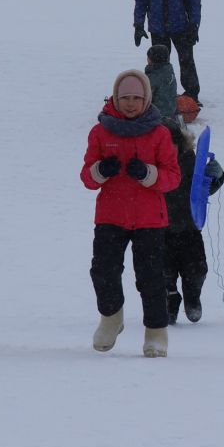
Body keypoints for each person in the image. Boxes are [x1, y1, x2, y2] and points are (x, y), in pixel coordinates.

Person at [81, 70, 181, 356]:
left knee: (150, 276)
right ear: (115, 97)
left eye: (137, 98)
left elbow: (173, 177)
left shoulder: (160, 133)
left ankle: (156, 332)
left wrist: (149, 174)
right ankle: (111, 318)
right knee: (103, 271)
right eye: (125, 97)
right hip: (111, 216)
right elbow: (87, 178)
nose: (131, 103)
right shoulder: (100, 132)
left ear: (146, 98)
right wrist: (101, 170)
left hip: (150, 218)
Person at [162, 122, 224, 323]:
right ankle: (169, 302)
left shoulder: (191, 162)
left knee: (196, 269)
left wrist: (215, 177)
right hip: (160, 231)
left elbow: (202, 189)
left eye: (172, 143)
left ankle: (192, 297)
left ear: (180, 143)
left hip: (189, 228)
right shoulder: (153, 166)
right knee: (163, 272)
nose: (168, 148)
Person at [133, 0, 201, 105]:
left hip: (182, 29)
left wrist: (194, 25)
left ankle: (191, 96)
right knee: (159, 66)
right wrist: (138, 25)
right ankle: (160, 96)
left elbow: (194, 2)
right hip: (158, 30)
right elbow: (140, 2)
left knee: (186, 62)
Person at [144, 42, 179, 125]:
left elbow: (145, 97)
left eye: (148, 57)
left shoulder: (153, 76)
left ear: (152, 60)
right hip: (171, 110)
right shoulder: (168, 71)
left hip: (157, 114)